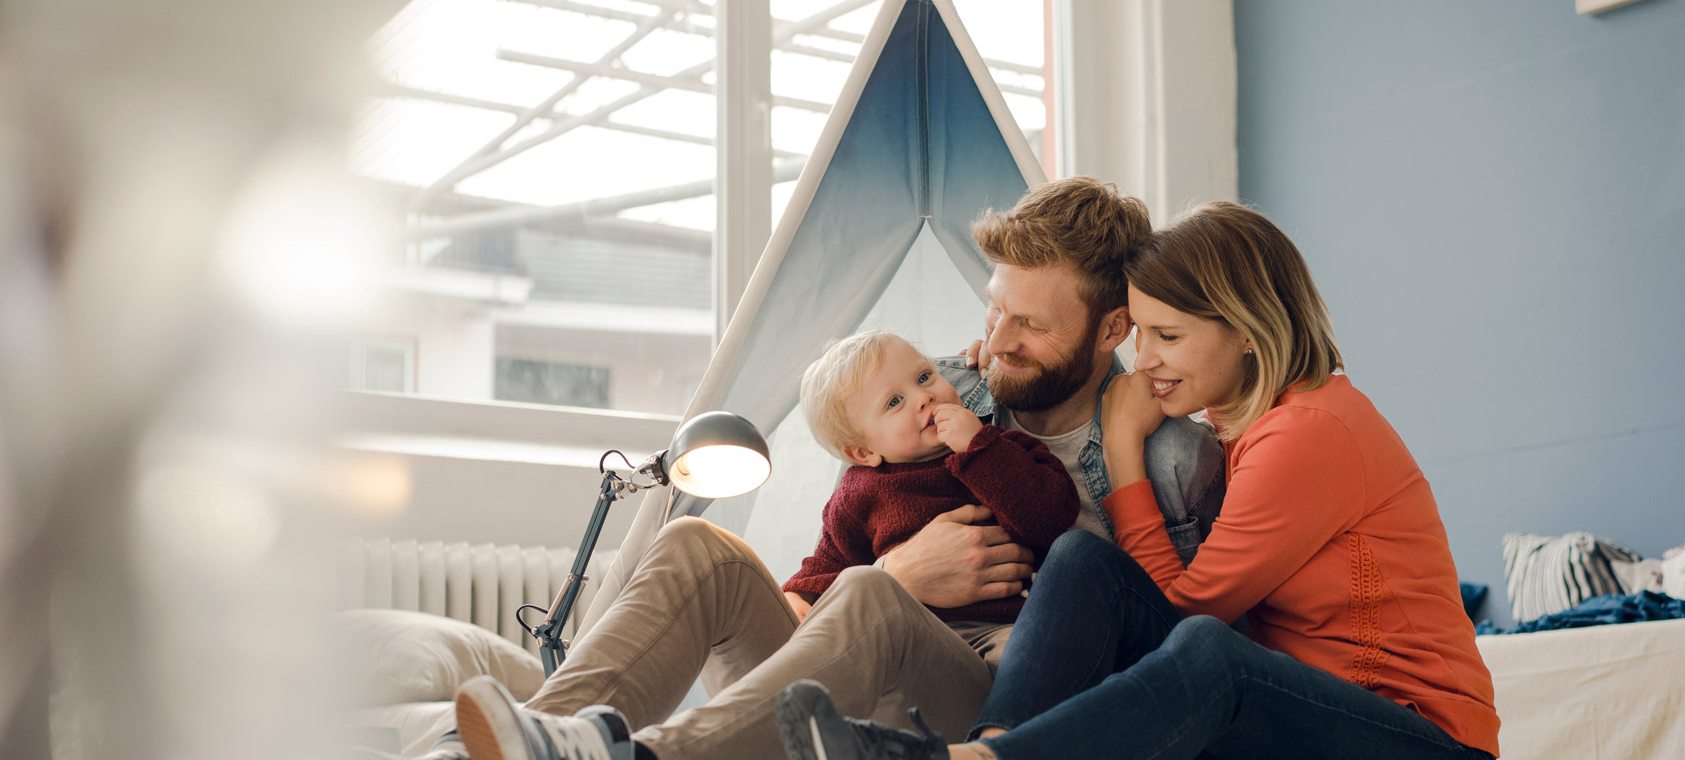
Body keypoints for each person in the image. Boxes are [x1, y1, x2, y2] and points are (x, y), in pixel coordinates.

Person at [424, 178, 1226, 760]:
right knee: (700, 551)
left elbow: (1164, 668)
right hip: (854, 659)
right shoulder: (944, 386)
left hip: (988, 696)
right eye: (995, 307)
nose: (996, 338)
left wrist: (886, 587)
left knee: (874, 594)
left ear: (1110, 327)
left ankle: (645, 757)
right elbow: (836, 548)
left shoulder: (1168, 454)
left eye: (1030, 324)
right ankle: (523, 742)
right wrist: (887, 578)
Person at [778, 201, 1501, 760]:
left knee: (1212, 654)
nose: (1145, 359)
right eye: (1143, 332)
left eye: (1170, 336)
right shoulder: (1239, 426)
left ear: (1246, 330)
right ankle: (990, 742)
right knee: (1079, 558)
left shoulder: (1309, 432)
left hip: (1415, 735)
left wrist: (1123, 447)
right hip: (1292, 724)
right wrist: (997, 350)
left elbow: (1188, 612)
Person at [778, 329, 1080, 625]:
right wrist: (800, 594)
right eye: (894, 402)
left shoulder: (1001, 447)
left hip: (1011, 626)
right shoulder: (857, 492)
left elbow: (1055, 515)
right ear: (863, 453)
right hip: (916, 636)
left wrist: (979, 447)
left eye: (924, 377)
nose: (924, 397)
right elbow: (830, 564)